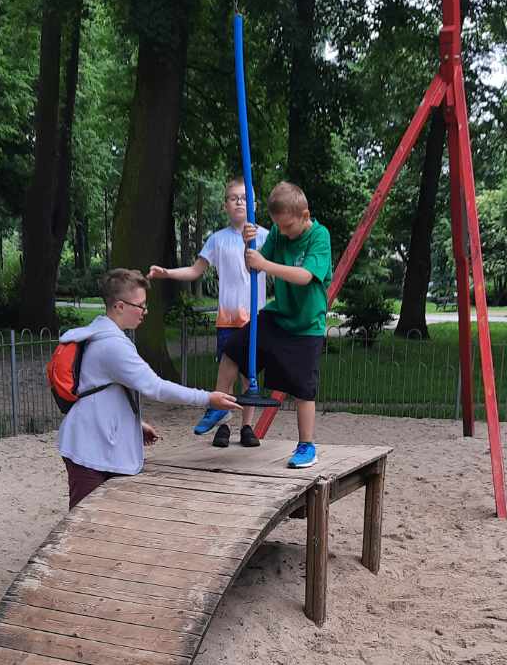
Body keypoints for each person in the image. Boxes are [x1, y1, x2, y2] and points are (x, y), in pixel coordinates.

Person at [56, 269, 239, 508]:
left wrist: (134, 424)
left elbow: (103, 390)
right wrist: (207, 398)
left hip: (94, 440)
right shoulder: (112, 345)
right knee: (84, 520)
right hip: (89, 448)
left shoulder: (101, 334)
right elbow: (155, 388)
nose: (145, 311)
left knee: (108, 515)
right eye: (140, 305)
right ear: (119, 306)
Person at [215, 180, 332, 470]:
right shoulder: (280, 233)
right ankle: (217, 406)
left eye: (288, 226)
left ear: (305, 215)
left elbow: (305, 276)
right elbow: (253, 267)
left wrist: (264, 264)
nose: (283, 231)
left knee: (304, 389)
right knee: (232, 349)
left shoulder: (319, 236)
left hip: (306, 324)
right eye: (278, 225)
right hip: (279, 315)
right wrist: (248, 246)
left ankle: (306, 446)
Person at [147, 177, 269, 442]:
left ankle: (247, 427)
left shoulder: (265, 237)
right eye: (234, 198)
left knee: (249, 376)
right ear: (225, 205)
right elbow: (195, 270)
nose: (240, 202)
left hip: (255, 318)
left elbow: (269, 268)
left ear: (254, 204)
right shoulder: (217, 239)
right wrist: (167, 273)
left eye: (245, 198)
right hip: (228, 318)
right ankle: (223, 423)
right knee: (226, 375)